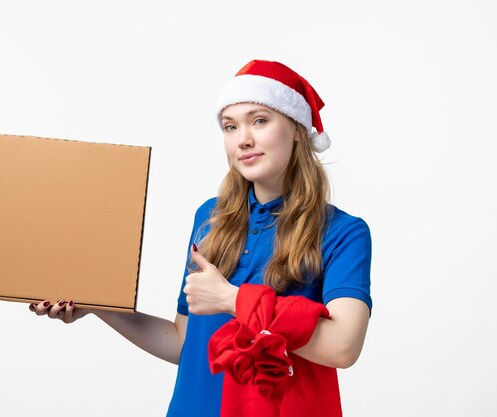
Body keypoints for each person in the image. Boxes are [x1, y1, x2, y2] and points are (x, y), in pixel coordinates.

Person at [29, 60, 372, 417]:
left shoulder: (343, 233)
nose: (244, 139)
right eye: (230, 126)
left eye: (260, 121)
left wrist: (231, 299)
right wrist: (96, 305)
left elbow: (343, 347)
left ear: (298, 129)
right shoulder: (211, 218)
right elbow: (184, 344)